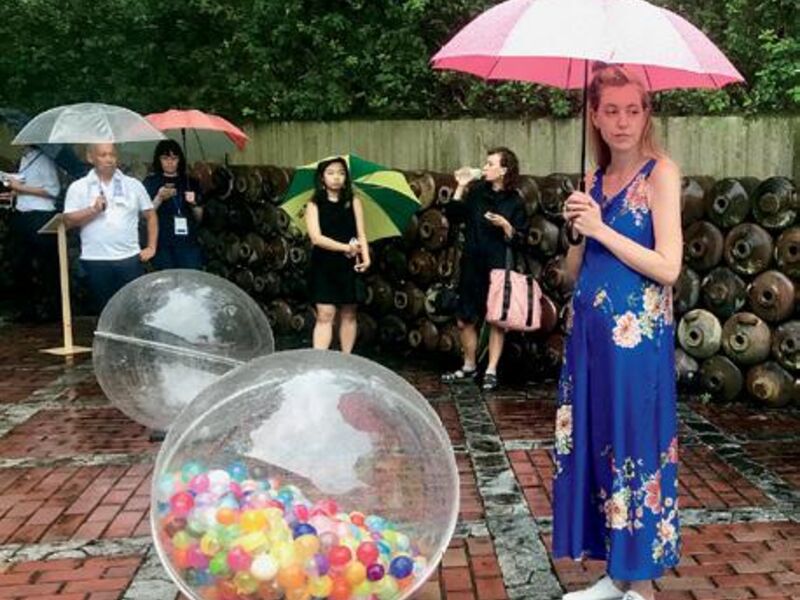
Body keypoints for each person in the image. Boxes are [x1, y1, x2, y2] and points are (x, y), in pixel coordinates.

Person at [552, 64, 683, 600]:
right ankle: (615, 577)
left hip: (636, 344)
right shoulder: (591, 182)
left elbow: (669, 266)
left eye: (634, 109)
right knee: (599, 445)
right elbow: (572, 273)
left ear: (646, 113)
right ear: (594, 117)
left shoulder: (660, 174)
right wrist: (578, 230)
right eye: (611, 111)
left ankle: (641, 585)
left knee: (636, 447)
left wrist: (603, 226)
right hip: (589, 341)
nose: (623, 121)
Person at [440, 147, 527, 392]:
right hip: (472, 263)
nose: (485, 167)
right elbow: (454, 215)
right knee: (464, 318)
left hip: (498, 265)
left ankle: (491, 370)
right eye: (486, 164)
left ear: (504, 170)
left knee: (497, 319)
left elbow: (522, 236)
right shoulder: (477, 192)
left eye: (491, 164)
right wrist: (460, 186)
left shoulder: (515, 200)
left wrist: (506, 226)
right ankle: (469, 365)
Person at [63, 143, 157, 314]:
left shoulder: (133, 184)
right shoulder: (78, 187)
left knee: (133, 307)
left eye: (112, 155)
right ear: (90, 158)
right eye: (103, 155)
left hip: (128, 257)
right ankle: (109, 340)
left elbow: (150, 215)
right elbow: (68, 221)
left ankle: (132, 339)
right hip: (95, 258)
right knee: (104, 309)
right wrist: (93, 210)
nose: (109, 159)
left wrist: (151, 247)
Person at [305, 157, 369, 353]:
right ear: (322, 178)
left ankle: (346, 358)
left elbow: (361, 232)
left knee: (349, 313)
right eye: (331, 173)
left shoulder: (353, 201)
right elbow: (316, 238)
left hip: (349, 263)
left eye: (341, 173)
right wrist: (344, 248)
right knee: (325, 314)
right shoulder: (314, 204)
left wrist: (366, 256)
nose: (336, 178)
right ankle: (320, 360)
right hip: (324, 264)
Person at [0, 146, 61, 322]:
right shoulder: (25, 160)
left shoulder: (44, 160)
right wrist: (14, 191)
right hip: (22, 214)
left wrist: (21, 188)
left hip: (40, 216)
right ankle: (27, 310)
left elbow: (53, 190)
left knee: (46, 265)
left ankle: (52, 310)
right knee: (20, 264)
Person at [142, 140, 204, 270]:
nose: (170, 162)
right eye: (165, 158)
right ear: (158, 160)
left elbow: (199, 218)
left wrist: (193, 204)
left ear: (179, 160)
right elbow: (145, 216)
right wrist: (159, 198)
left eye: (174, 158)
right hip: (162, 242)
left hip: (188, 243)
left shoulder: (190, 182)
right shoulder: (151, 182)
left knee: (190, 281)